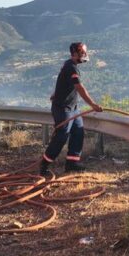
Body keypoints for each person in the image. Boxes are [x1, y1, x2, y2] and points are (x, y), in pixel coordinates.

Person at [39, 42, 103, 175]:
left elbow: (63, 81)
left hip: (73, 108)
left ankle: (72, 164)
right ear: (75, 54)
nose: (85, 55)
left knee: (78, 133)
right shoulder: (72, 68)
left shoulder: (68, 64)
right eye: (83, 53)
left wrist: (57, 93)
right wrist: (93, 105)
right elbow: (80, 88)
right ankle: (44, 166)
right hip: (63, 109)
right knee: (61, 137)